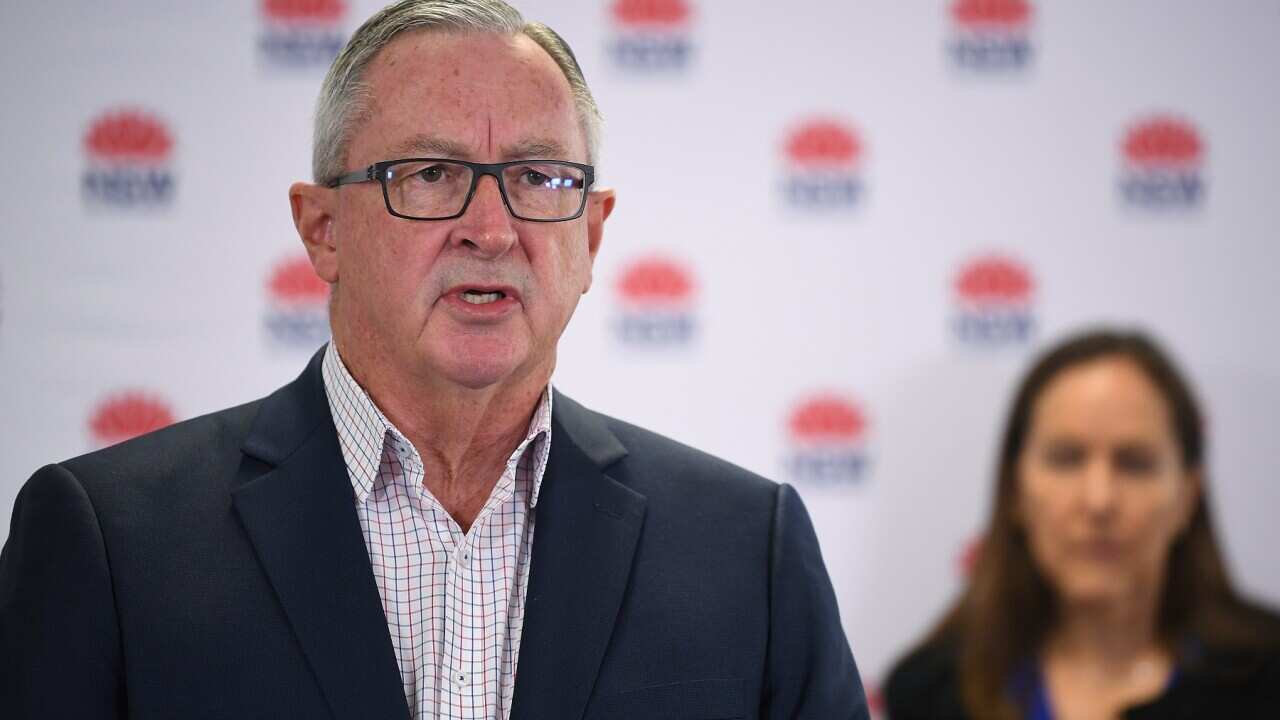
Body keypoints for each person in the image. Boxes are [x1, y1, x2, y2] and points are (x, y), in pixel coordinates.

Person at [0, 1, 867, 718]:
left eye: (538, 178)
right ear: (322, 229)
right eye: (428, 174)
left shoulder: (749, 548)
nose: (491, 229)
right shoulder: (109, 543)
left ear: (593, 234)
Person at [885, 329, 1280, 719]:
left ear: (1188, 496)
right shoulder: (931, 692)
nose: (1099, 500)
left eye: (1134, 463)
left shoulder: (1267, 677)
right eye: (1066, 458)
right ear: (1016, 491)